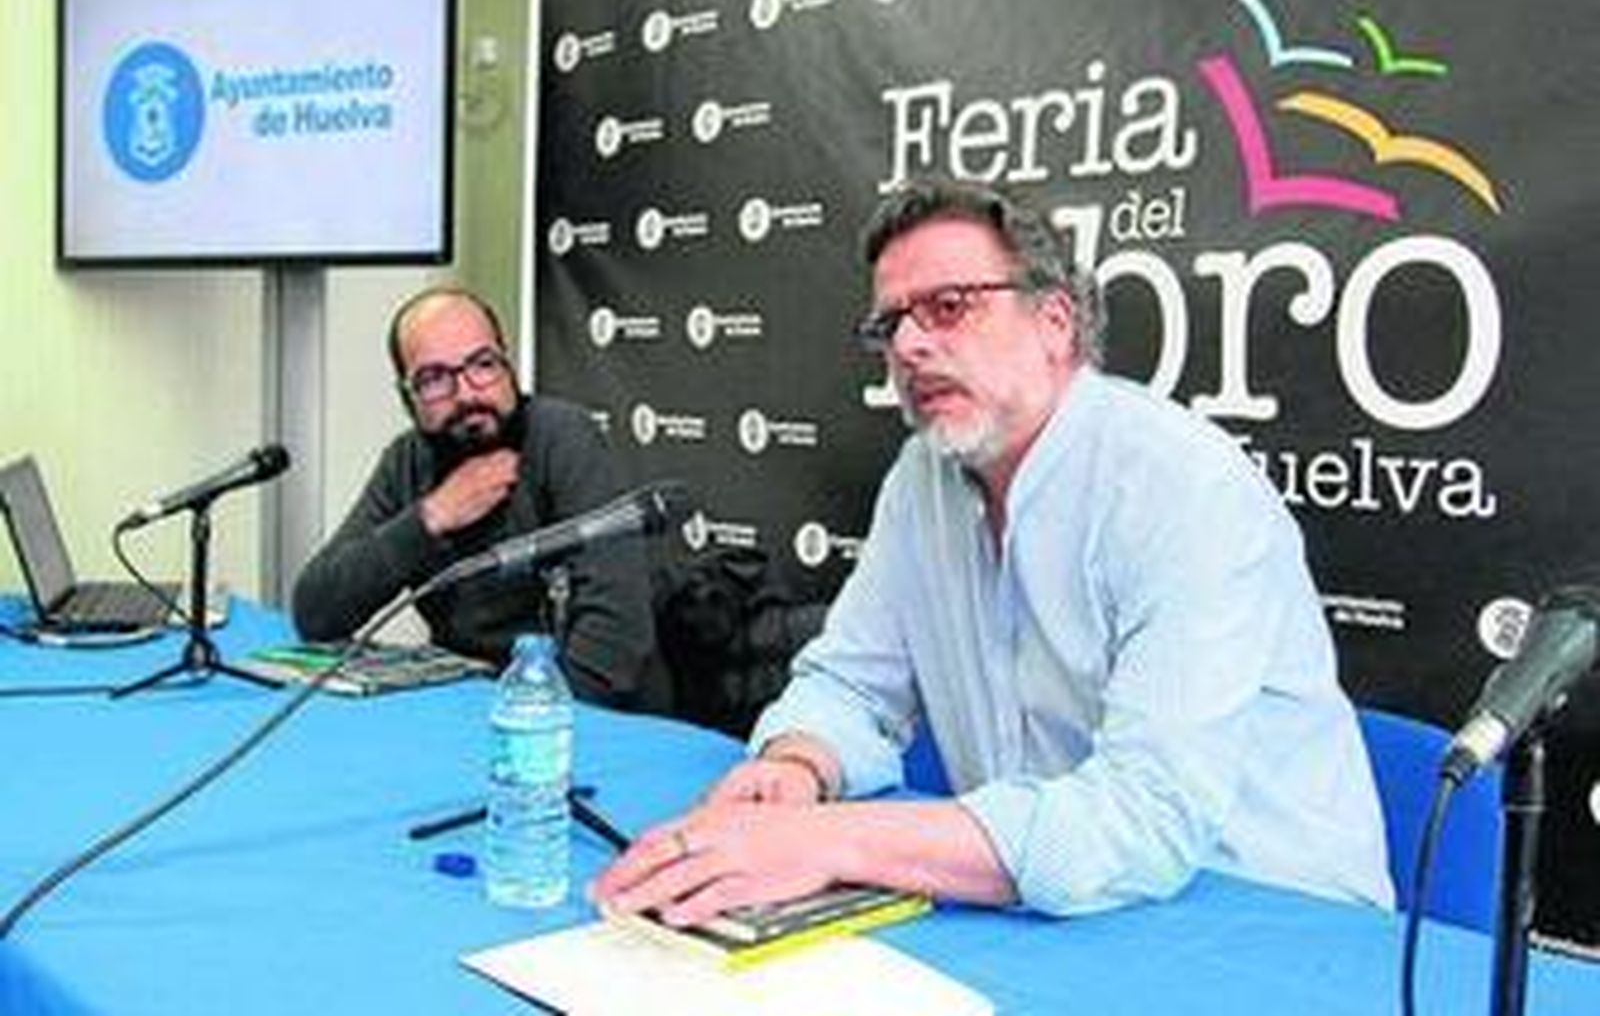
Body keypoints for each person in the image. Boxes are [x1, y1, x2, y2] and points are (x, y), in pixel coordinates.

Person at [593, 179, 1392, 924]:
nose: (907, 346)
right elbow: (851, 681)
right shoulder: (923, 478)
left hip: (1262, 922)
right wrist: (800, 765)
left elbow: (1148, 815)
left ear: (1056, 324)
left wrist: (829, 838)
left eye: (947, 307)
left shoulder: (1182, 487)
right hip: (1052, 917)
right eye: (890, 323)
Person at [292, 287, 670, 712]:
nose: (468, 393)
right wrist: (431, 517)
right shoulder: (408, 461)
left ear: (508, 365)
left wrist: (523, 720)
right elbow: (316, 612)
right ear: (407, 397)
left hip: (575, 720)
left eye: (483, 365)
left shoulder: (563, 438)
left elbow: (615, 641)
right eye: (434, 378)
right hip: (463, 704)